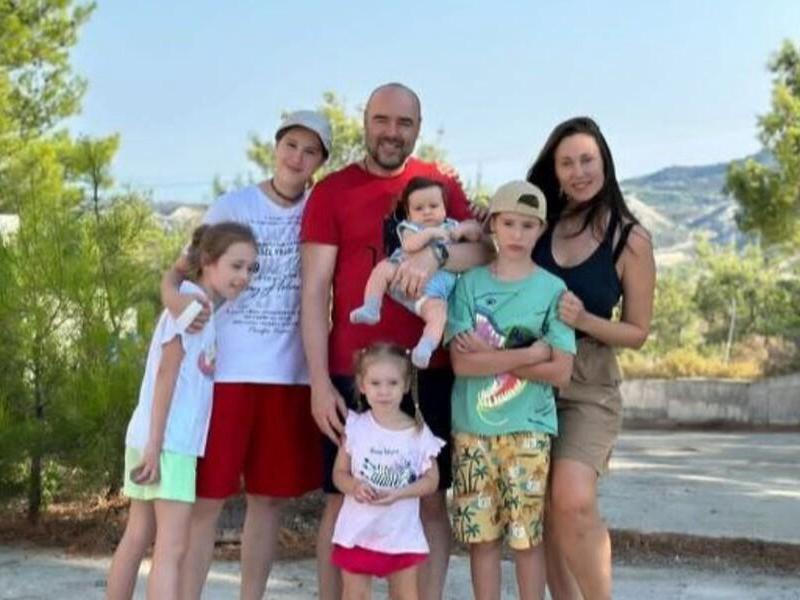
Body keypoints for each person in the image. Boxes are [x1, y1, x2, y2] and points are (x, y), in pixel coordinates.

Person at [301, 82, 489, 600]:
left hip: (429, 369)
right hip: (353, 373)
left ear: (418, 128)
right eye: (382, 120)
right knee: (343, 498)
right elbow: (314, 292)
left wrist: (435, 255)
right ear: (365, 121)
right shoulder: (332, 191)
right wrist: (318, 382)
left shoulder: (439, 183)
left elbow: (484, 252)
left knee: (429, 500)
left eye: (404, 123)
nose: (392, 132)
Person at [160, 111, 332, 600]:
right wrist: (173, 298)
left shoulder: (320, 211)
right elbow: (180, 272)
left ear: (320, 161)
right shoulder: (233, 205)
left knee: (268, 501)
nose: (297, 157)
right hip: (225, 373)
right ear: (276, 147)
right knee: (207, 501)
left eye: (310, 151)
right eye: (291, 145)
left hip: (289, 375)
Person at [527, 117, 656, 600]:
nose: (578, 171)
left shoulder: (630, 239)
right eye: (567, 163)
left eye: (587, 160)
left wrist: (583, 319)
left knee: (573, 500)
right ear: (555, 171)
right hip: (530, 377)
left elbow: (637, 331)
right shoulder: (539, 225)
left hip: (589, 383)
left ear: (604, 162)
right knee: (544, 510)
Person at [106, 222, 258, 600]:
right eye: (236, 265)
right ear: (208, 261)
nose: (244, 276)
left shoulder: (191, 301)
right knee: (171, 548)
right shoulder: (194, 308)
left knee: (138, 535)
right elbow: (166, 374)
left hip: (150, 437)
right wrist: (156, 446)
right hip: (168, 444)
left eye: (250, 268)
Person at [445, 181, 575, 600]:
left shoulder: (553, 290)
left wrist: (491, 355)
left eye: (528, 225)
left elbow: (561, 372)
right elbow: (463, 364)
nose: (517, 234)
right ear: (493, 226)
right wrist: (531, 353)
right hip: (473, 431)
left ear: (541, 229)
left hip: (529, 432)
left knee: (526, 539)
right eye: (508, 223)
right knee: (481, 540)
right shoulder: (469, 285)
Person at [331, 343, 445, 600]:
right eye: (375, 383)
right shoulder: (356, 427)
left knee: (405, 595)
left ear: (406, 385)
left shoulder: (418, 433)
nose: (384, 391)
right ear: (362, 385)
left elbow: (432, 480)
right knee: (355, 595)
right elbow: (339, 473)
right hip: (358, 531)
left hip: (400, 533)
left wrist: (402, 493)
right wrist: (354, 486)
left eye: (392, 383)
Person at [350, 176, 482, 368]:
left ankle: (425, 347)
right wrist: (430, 233)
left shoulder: (452, 227)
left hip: (431, 295)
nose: (427, 212)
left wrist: (466, 228)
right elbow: (409, 245)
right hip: (399, 278)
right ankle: (371, 306)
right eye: (419, 208)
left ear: (444, 208)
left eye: (433, 206)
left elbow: (478, 235)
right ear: (409, 214)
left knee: (439, 315)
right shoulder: (411, 228)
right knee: (381, 269)